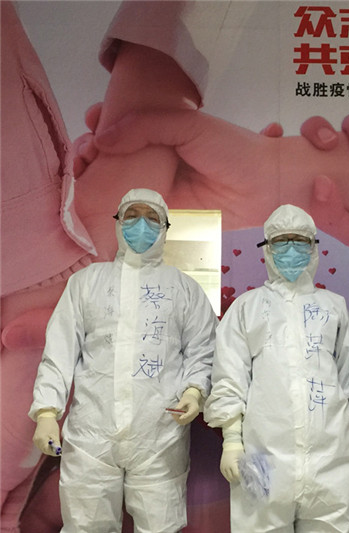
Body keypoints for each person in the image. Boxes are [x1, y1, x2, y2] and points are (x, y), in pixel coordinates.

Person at [28, 188, 218, 532]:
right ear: (117, 222)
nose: (141, 225)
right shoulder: (86, 283)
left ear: (165, 227)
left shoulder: (184, 289)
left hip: (159, 435)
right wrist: (46, 412)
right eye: (132, 216)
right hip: (91, 434)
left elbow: (203, 349)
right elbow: (59, 351)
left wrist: (194, 391)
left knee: (160, 527)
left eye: (151, 218)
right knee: (85, 526)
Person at [204, 204, 349, 532]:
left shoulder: (333, 308)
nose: (291, 249)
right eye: (281, 241)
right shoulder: (246, 308)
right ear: (267, 249)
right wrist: (231, 439)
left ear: (314, 247)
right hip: (262, 458)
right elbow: (229, 376)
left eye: (300, 241)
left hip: (331, 460)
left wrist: (328, 424)